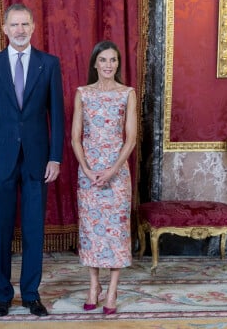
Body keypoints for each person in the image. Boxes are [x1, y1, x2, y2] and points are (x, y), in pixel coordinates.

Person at [0, 3, 65, 317]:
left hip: (38, 161)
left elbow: (57, 114)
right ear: (4, 29)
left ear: (34, 27)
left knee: (33, 229)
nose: (20, 30)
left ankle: (31, 294)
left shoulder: (49, 64)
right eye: (14, 25)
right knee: (0, 231)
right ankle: (2, 294)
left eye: (25, 24)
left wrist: (55, 157)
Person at [70, 40, 137, 315]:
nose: (109, 65)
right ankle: (94, 286)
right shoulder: (83, 93)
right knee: (91, 233)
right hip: (89, 174)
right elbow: (75, 137)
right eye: (104, 60)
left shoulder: (127, 93)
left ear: (118, 64)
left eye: (113, 60)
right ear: (95, 64)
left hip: (117, 174)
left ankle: (112, 290)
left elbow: (130, 138)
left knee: (116, 232)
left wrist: (112, 170)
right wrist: (86, 168)